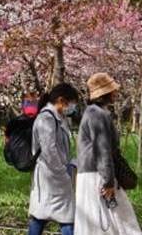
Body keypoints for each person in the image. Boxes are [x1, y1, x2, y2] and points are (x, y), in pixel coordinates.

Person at [75, 72, 142, 235]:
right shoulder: (97, 115)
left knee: (101, 222)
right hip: (97, 175)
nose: (116, 93)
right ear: (105, 93)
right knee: (115, 222)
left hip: (92, 174)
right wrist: (108, 182)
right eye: (113, 90)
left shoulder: (93, 112)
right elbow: (103, 150)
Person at [28, 82, 80, 235]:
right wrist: (63, 172)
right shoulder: (46, 119)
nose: (72, 108)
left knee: (47, 216)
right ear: (61, 100)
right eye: (71, 104)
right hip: (49, 176)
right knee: (45, 217)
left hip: (56, 178)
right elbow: (49, 151)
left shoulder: (58, 118)